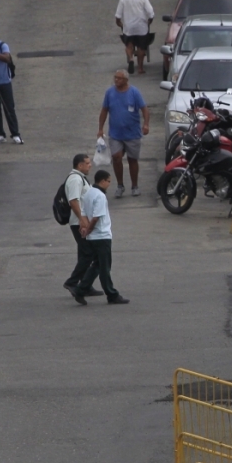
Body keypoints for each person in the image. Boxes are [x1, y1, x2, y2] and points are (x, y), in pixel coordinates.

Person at [72, 170, 129, 305]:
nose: (109, 184)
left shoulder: (88, 193)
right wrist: (89, 229)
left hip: (93, 238)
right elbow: (96, 217)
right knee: (104, 267)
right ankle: (112, 294)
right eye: (109, 181)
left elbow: (84, 213)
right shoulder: (100, 196)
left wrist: (85, 228)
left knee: (97, 265)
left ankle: (81, 289)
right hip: (102, 236)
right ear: (102, 181)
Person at [98, 70, 150, 198]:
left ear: (126, 80)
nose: (116, 80)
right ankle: (120, 185)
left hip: (132, 134)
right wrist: (100, 128)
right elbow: (104, 110)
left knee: (132, 160)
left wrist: (146, 124)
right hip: (116, 134)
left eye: (119, 78)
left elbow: (144, 109)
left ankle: (134, 186)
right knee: (116, 157)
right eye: (115, 78)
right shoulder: (110, 93)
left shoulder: (134, 93)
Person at [62, 154, 104, 299]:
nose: (90, 165)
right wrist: (82, 219)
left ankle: (85, 285)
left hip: (81, 220)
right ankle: (73, 282)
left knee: (84, 252)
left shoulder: (80, 178)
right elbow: (73, 201)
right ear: (80, 165)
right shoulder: (75, 179)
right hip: (78, 222)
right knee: (89, 253)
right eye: (87, 163)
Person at [114, 0, 155, 75]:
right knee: (141, 47)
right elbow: (151, 13)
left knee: (128, 45)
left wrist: (119, 23)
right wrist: (149, 21)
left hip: (128, 27)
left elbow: (118, 15)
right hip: (141, 27)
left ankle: (131, 58)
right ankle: (140, 68)